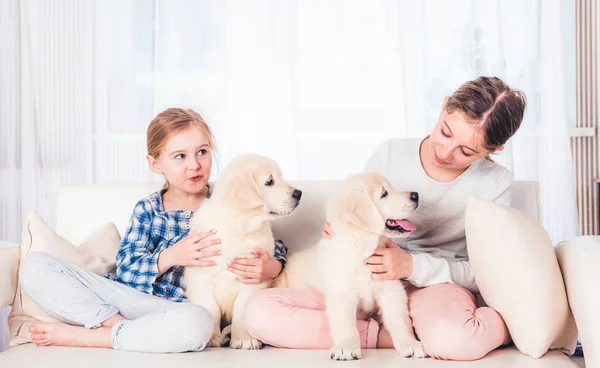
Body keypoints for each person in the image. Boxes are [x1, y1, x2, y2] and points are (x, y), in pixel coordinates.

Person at [243, 76, 527, 361]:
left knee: (458, 341)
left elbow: (485, 273)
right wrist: (341, 226)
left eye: (466, 151)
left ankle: (500, 326)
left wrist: (412, 266)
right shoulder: (391, 153)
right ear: (443, 108)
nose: (445, 151)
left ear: (493, 150)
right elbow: (358, 209)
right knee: (257, 313)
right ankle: (383, 337)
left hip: (433, 288)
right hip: (363, 279)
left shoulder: (495, 184)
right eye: (445, 132)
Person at [19, 108, 288, 352]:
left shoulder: (230, 198)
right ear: (156, 163)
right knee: (35, 266)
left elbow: (270, 243)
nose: (194, 164)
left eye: (202, 152)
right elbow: (126, 270)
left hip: (178, 312)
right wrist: (172, 256)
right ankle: (115, 324)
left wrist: (272, 267)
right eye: (180, 156)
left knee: (198, 325)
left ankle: (96, 336)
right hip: (131, 301)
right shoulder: (149, 210)